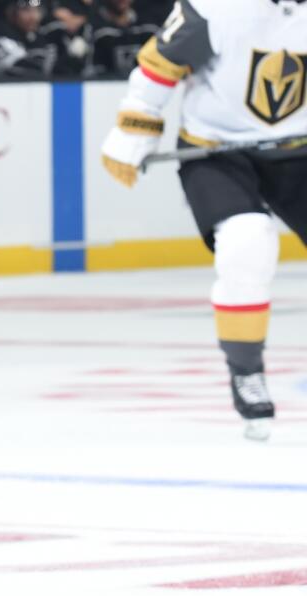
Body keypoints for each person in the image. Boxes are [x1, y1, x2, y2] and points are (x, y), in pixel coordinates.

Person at [101, 0, 307, 441]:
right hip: (218, 151)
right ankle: (247, 371)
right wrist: (135, 126)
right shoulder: (218, 5)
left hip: (298, 150)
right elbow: (162, 63)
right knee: (246, 244)